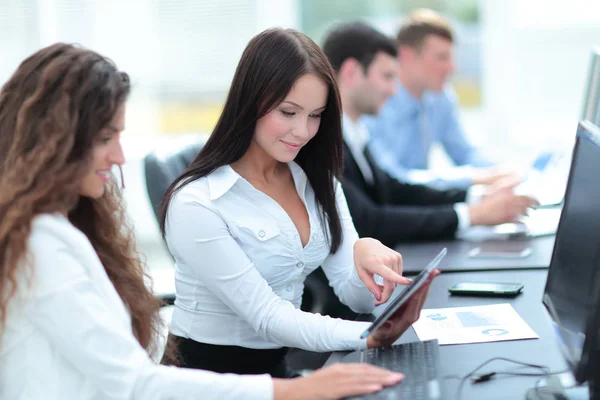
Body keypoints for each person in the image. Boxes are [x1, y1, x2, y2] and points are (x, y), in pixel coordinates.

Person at [0, 42, 411, 400]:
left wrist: (363, 252)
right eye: (106, 138)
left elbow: (352, 292)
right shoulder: (46, 246)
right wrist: (311, 379)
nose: (120, 157)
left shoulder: (58, 231)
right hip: (213, 375)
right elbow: (134, 383)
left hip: (265, 370)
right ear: (54, 141)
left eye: (315, 115)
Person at [160, 28, 439, 378]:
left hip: (276, 371)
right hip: (204, 382)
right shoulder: (197, 203)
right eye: (288, 112)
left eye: (316, 115)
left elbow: (357, 299)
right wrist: (370, 336)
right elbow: (268, 318)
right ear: (251, 101)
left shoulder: (317, 184)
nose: (303, 132)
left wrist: (366, 259)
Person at [321, 22, 538, 247]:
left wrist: (476, 198)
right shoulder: (324, 142)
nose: (393, 89)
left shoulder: (355, 132)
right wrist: (472, 215)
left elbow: (395, 190)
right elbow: (370, 220)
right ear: (351, 72)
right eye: (387, 76)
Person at [361, 9, 509, 190]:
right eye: (441, 57)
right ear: (406, 56)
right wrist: (472, 178)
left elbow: (464, 153)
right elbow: (393, 179)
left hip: (426, 202)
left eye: (451, 57)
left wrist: (502, 172)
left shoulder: (441, 98)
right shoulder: (376, 103)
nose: (452, 67)